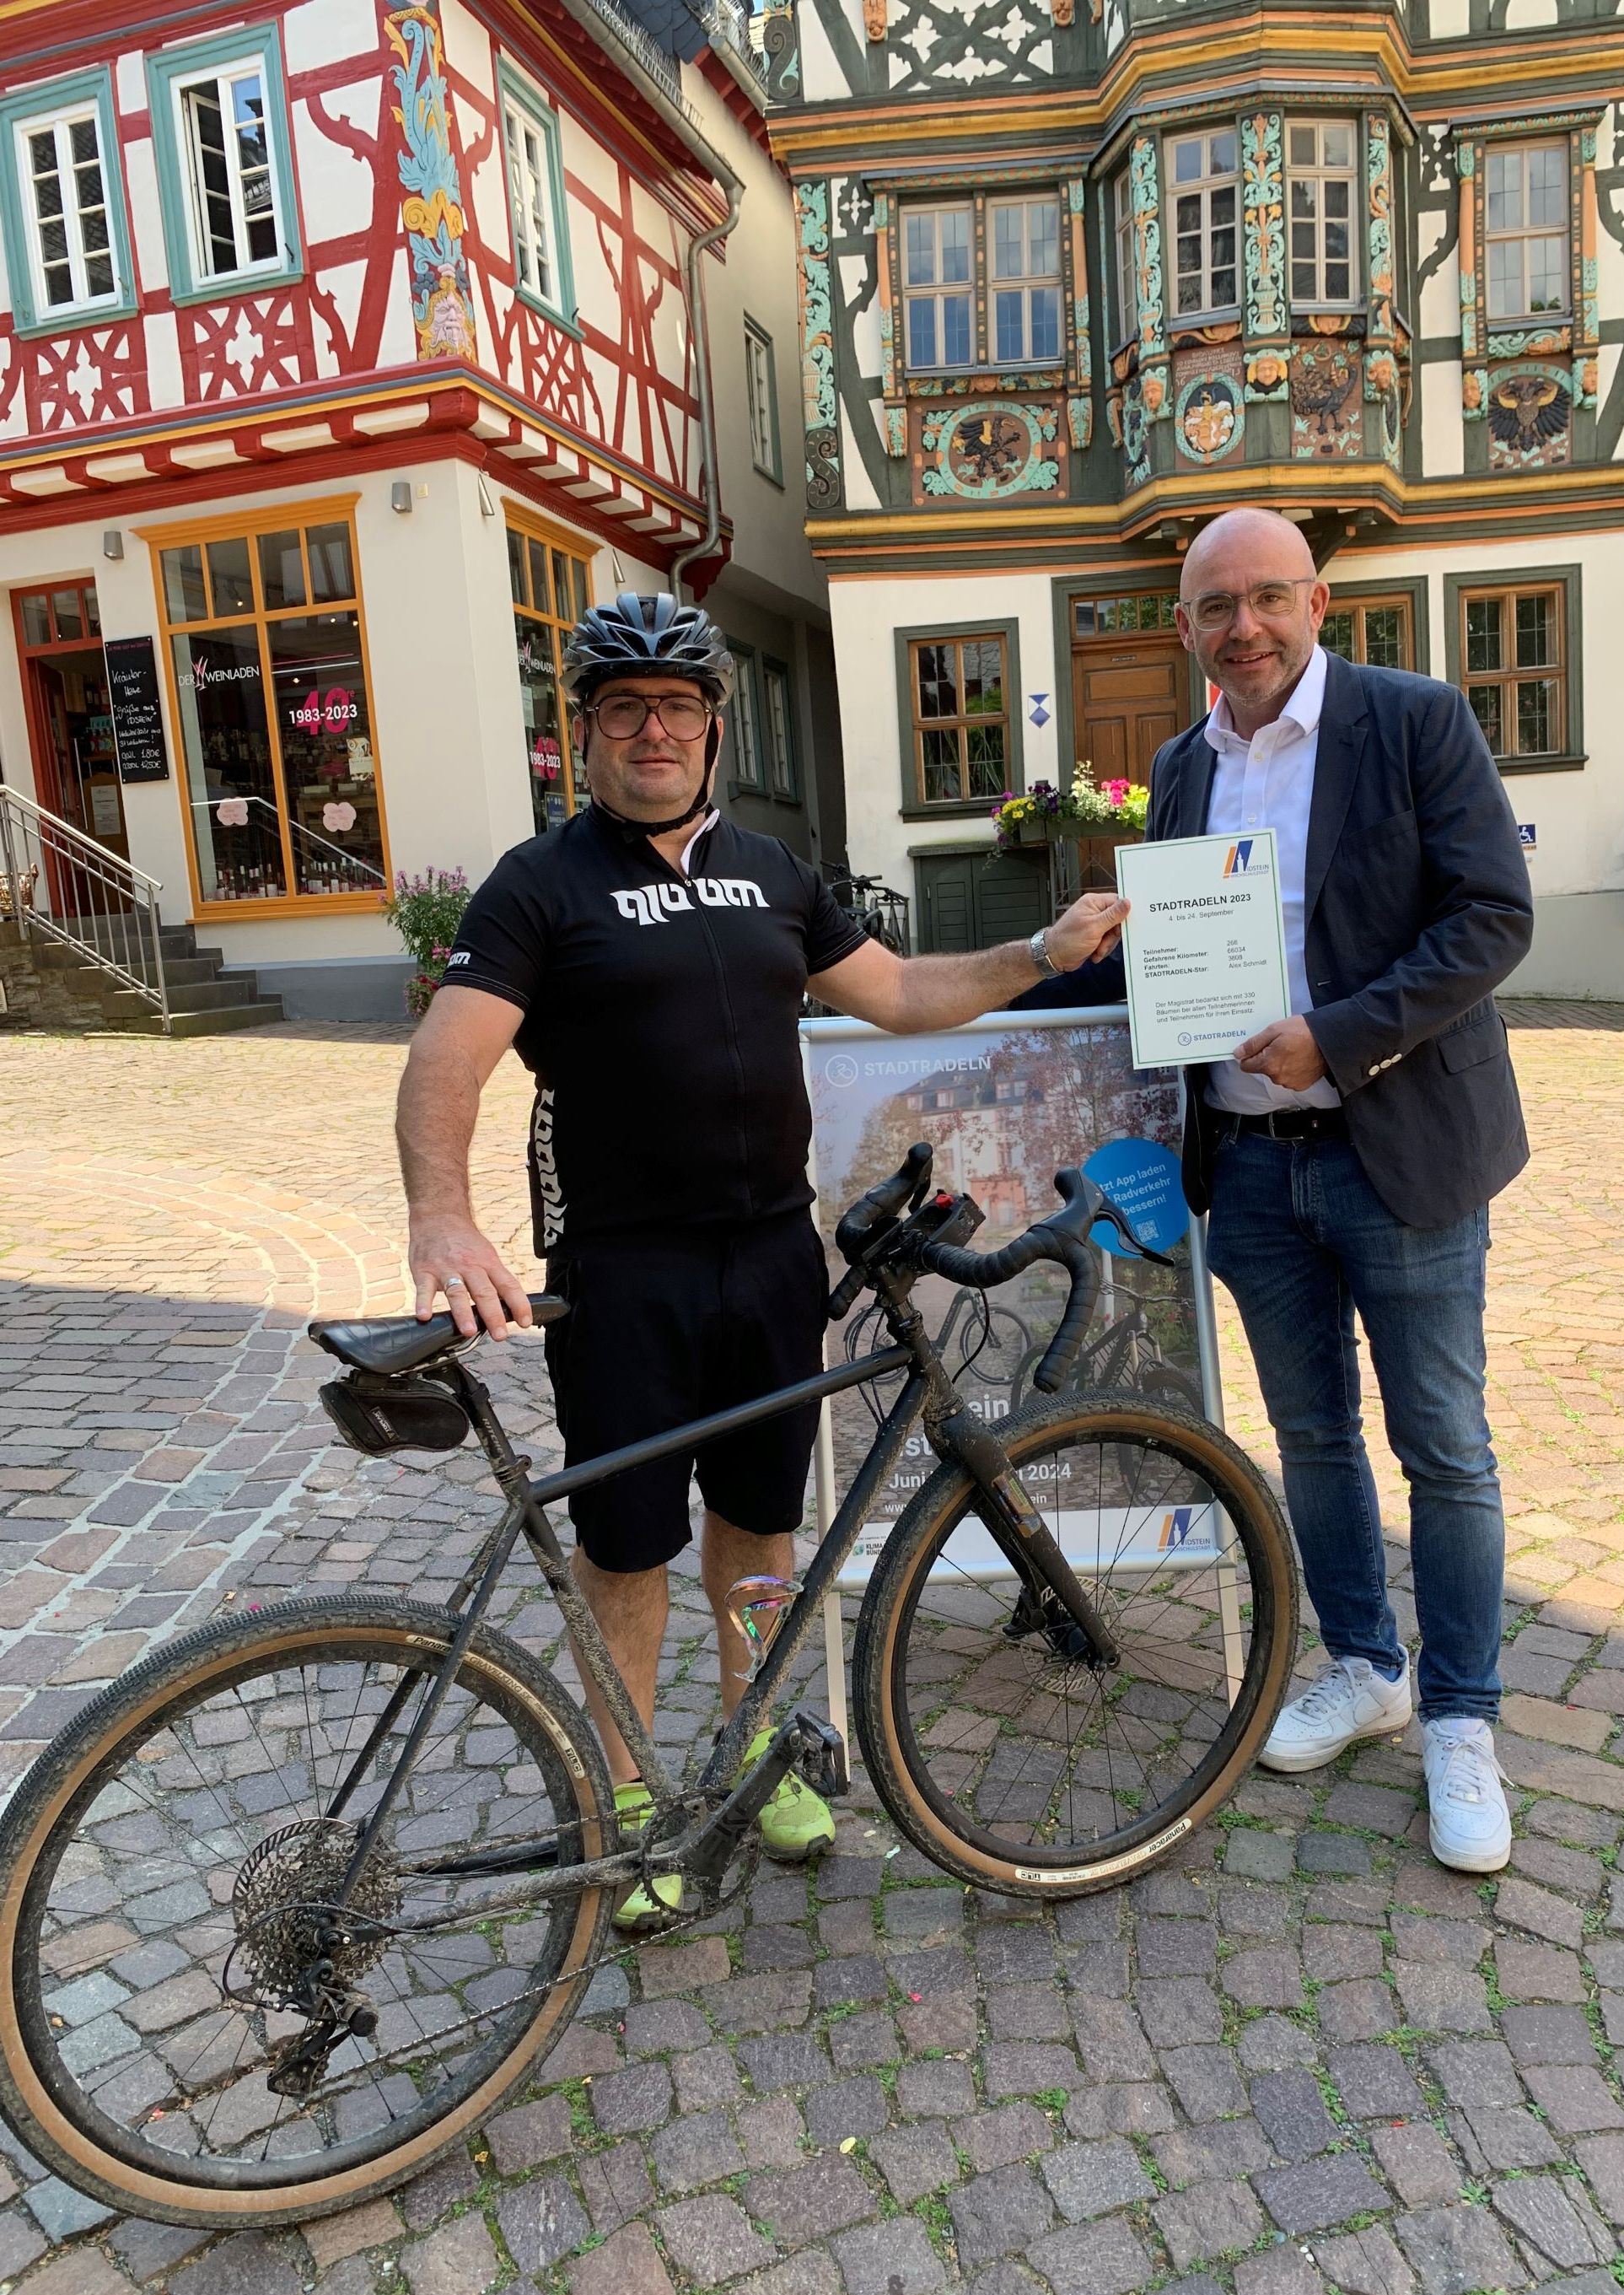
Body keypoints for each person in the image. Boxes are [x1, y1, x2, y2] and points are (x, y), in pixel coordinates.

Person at [396, 593, 1126, 1926]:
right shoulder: (539, 883)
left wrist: (1037, 952)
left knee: (760, 1525)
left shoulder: (777, 873)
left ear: (713, 728)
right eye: (624, 709)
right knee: (625, 1550)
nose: (653, 730)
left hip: (766, 1260)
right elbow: (450, 1053)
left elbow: (899, 994)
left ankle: (746, 1750)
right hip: (617, 1271)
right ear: (587, 736)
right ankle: (624, 1798)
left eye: (676, 707)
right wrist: (442, 1217)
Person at [1021, 509, 1533, 1872]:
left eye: (1263, 600)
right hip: (1249, 1165)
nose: (1240, 627)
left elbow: (1492, 917)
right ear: (1185, 628)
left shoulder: (1413, 721)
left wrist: (1344, 1032)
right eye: (1212, 609)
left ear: (1315, 601)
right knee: (1309, 1440)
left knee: (1442, 1444)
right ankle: (1366, 1666)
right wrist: (1049, 966)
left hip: (1399, 1148)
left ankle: (1461, 1716)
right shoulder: (1181, 764)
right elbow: (1182, 960)